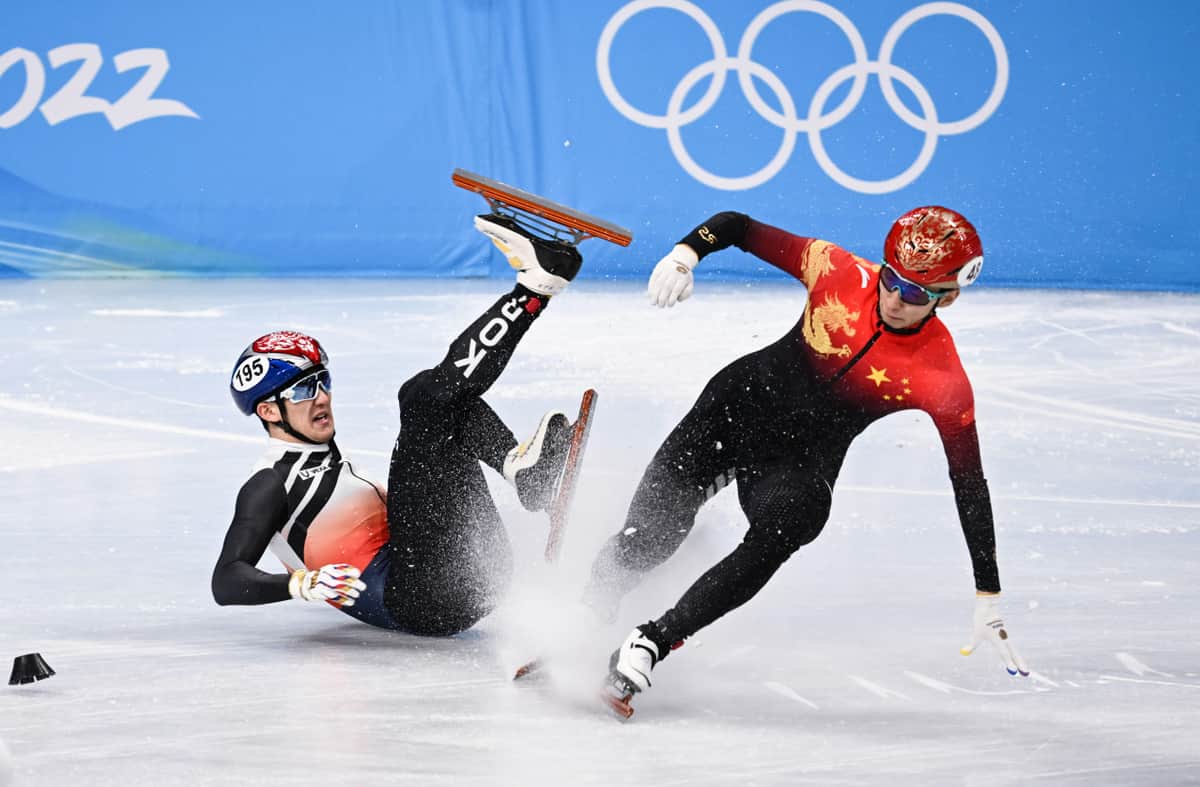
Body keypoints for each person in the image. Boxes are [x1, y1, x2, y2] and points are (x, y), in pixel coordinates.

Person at [585, 207, 1029, 704]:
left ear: (948, 298)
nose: (894, 299)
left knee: (795, 521)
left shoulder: (941, 377)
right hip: (732, 411)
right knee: (650, 538)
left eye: (916, 293)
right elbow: (737, 226)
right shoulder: (836, 270)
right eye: (891, 279)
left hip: (798, 462)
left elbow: (969, 483)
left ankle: (650, 642)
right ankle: (584, 613)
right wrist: (685, 255)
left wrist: (988, 592)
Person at [212, 213, 585, 636]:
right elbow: (226, 580)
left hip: (477, 572)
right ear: (268, 412)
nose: (320, 398)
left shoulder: (331, 467)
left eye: (322, 382)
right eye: (301, 391)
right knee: (422, 400)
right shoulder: (270, 483)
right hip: (421, 599)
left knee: (446, 405)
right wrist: (301, 584)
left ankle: (524, 473)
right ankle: (535, 290)